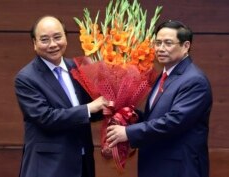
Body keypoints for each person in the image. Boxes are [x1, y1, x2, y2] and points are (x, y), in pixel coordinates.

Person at [106, 20, 213, 177]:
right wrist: (129, 114)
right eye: (158, 43)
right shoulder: (164, 75)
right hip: (157, 164)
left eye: (168, 43)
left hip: (179, 168)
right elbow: (156, 117)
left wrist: (128, 132)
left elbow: (174, 122)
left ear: (186, 46)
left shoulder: (194, 80)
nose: (161, 49)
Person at [15, 15, 108, 177]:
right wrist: (88, 108)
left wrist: (113, 107)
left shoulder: (78, 68)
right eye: (44, 40)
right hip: (49, 167)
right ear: (34, 44)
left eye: (57, 37)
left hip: (83, 163)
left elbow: (90, 111)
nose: (52, 44)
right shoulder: (26, 78)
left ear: (66, 37)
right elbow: (46, 118)